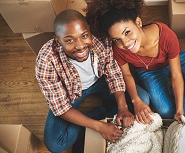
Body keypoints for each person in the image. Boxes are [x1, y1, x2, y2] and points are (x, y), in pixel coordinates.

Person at [35, 9, 138, 153]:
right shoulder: (46, 60)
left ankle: (104, 115)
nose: (80, 46)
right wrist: (100, 127)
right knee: (55, 144)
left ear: (89, 30)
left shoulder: (101, 39)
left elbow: (113, 73)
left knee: (141, 98)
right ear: (58, 41)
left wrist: (123, 108)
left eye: (84, 36)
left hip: (100, 82)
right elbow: (60, 107)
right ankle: (99, 115)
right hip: (70, 93)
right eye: (69, 40)